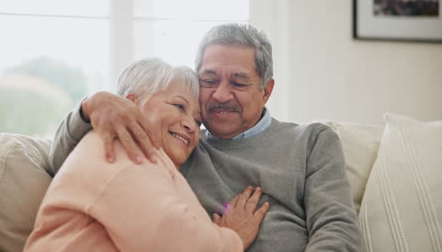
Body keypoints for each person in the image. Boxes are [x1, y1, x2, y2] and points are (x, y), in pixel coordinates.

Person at [50, 24, 363, 251]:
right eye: (209, 80)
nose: (221, 94)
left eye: (239, 83)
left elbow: (337, 230)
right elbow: (66, 165)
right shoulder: (176, 145)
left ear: (266, 91)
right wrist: (91, 106)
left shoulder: (312, 141)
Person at [24, 59, 269, 251]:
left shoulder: (155, 161)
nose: (191, 126)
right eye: (178, 106)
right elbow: (172, 239)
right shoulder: (119, 148)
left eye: (197, 121)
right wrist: (233, 238)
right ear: (130, 105)